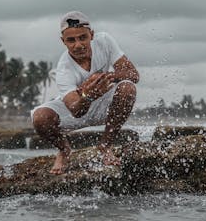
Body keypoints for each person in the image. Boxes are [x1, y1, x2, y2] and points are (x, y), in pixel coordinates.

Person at [31, 11, 139, 175]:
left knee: (128, 88)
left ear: (92, 35)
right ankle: (64, 150)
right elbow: (76, 110)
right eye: (71, 40)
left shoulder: (104, 41)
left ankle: (105, 146)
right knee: (40, 117)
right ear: (63, 41)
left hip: (104, 104)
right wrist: (88, 94)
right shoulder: (64, 69)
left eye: (83, 37)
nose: (78, 45)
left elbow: (133, 74)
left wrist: (105, 77)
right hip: (77, 108)